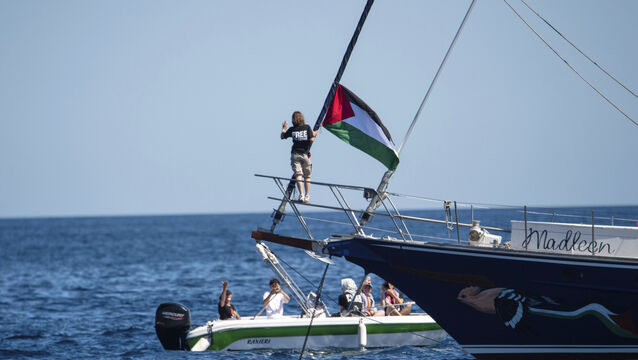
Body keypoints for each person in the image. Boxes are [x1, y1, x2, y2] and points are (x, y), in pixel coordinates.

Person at [280, 111, 319, 203]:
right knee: (307, 176)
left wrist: (283, 128)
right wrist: (317, 132)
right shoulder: (307, 127)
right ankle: (307, 195)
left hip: (295, 155)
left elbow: (282, 136)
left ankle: (301, 195)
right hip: (305, 155)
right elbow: (312, 138)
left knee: (298, 175)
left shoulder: (292, 129)